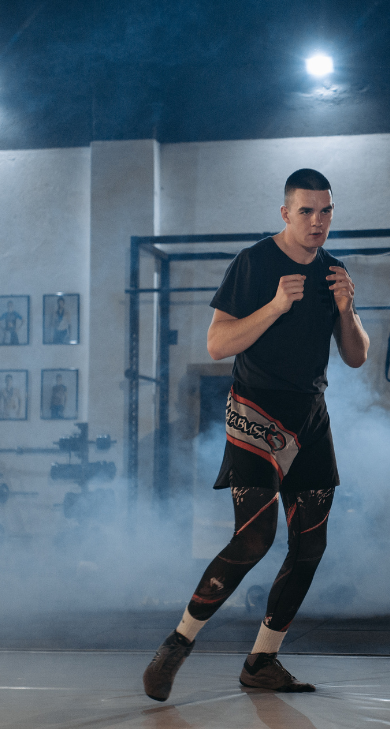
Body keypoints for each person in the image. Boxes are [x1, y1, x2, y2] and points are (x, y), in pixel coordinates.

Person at [142, 168, 370, 701]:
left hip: (310, 416)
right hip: (256, 411)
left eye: (326, 211)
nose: (318, 222)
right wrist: (274, 305)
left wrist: (347, 309)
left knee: (311, 544)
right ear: (285, 213)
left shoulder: (335, 270)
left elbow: (356, 357)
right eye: (307, 211)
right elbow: (218, 345)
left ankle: (263, 659)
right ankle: (179, 642)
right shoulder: (253, 262)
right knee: (255, 538)